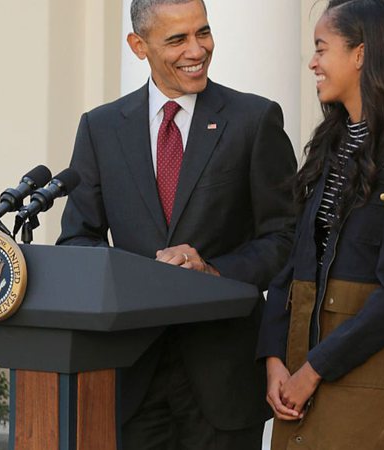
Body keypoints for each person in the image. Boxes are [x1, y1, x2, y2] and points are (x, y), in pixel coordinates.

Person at [57, 0, 297, 447]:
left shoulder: (255, 120)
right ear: (138, 45)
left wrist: (215, 271)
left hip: (223, 375)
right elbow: (76, 239)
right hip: (131, 373)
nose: (197, 49)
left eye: (202, 33)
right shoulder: (100, 128)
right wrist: (133, 278)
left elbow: (285, 238)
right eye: (177, 39)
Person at [257, 0, 384, 448]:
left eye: (321, 49)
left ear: (361, 55)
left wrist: (312, 371)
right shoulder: (331, 149)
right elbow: (294, 261)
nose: (312, 62)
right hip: (302, 381)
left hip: (368, 392)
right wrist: (274, 357)